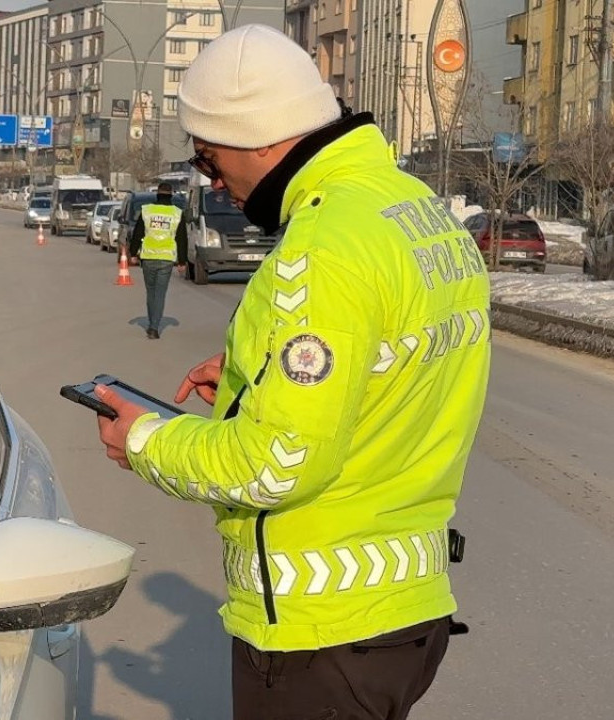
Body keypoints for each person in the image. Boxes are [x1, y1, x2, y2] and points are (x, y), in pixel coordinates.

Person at [92, 24, 490, 720]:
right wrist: (263, 378)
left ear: (258, 139)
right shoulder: (415, 212)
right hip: (402, 616)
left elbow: (278, 461)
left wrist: (149, 440)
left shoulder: (322, 247)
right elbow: (394, 366)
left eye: (211, 160)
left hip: (321, 634)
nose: (217, 180)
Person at [127, 182, 188, 339]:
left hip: (148, 258)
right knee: (160, 294)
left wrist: (132, 253)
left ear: (157, 195)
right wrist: (182, 261)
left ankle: (151, 323)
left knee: (151, 292)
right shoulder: (177, 213)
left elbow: (138, 233)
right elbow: (182, 238)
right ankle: (154, 327)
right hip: (166, 259)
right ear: (171, 195)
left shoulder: (147, 211)